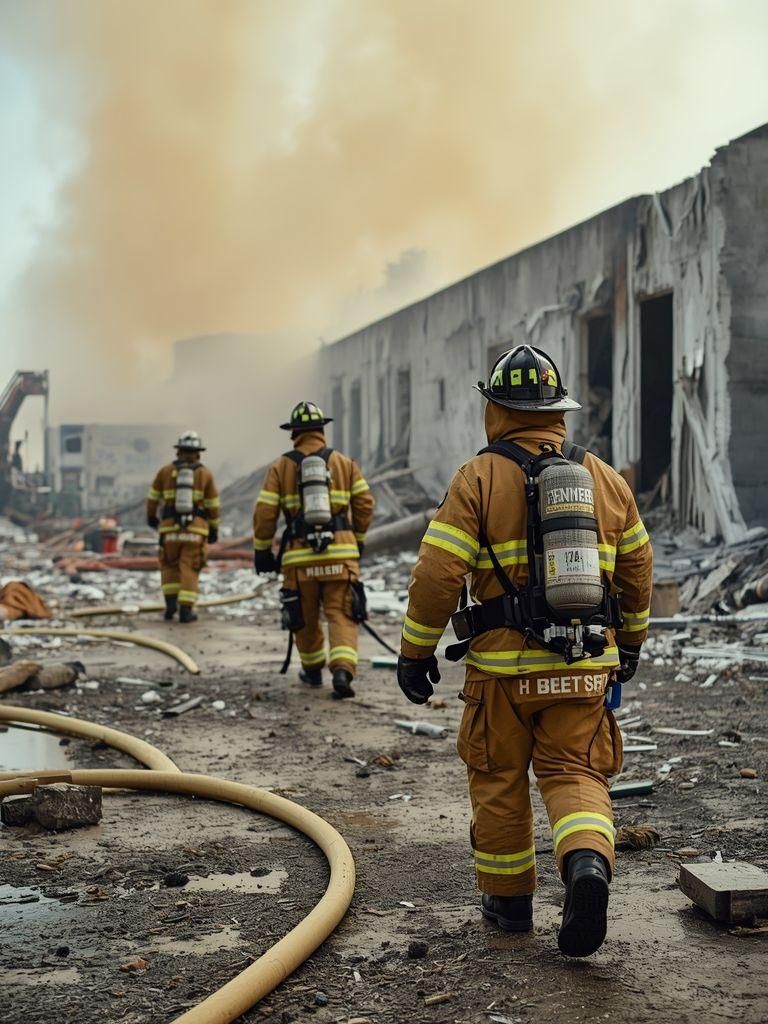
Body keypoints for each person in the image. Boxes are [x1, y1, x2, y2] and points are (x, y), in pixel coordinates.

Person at [397, 345, 652, 957]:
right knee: (576, 773)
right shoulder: (604, 479)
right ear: (559, 410)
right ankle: (587, 865)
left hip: (502, 674)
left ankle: (509, 903)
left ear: (495, 409)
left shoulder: (477, 478)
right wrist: (630, 643)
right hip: (584, 665)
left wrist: (415, 652)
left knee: (498, 778)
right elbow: (638, 569)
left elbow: (437, 574)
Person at [253, 400, 375, 699]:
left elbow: (266, 512)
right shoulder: (344, 463)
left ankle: (312, 671)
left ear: (294, 432)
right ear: (321, 429)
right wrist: (357, 539)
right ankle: (343, 671)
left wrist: (262, 550)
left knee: (304, 617)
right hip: (340, 555)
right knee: (342, 614)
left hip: (299, 559)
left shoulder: (281, 466)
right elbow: (365, 504)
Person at [146, 430, 220, 623]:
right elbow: (213, 505)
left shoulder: (164, 472)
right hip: (195, 531)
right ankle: (186, 610)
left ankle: (170, 605)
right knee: (189, 568)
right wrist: (214, 528)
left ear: (178, 451)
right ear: (198, 453)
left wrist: (152, 518)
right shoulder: (205, 474)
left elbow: (152, 498)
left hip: (169, 530)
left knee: (169, 566)